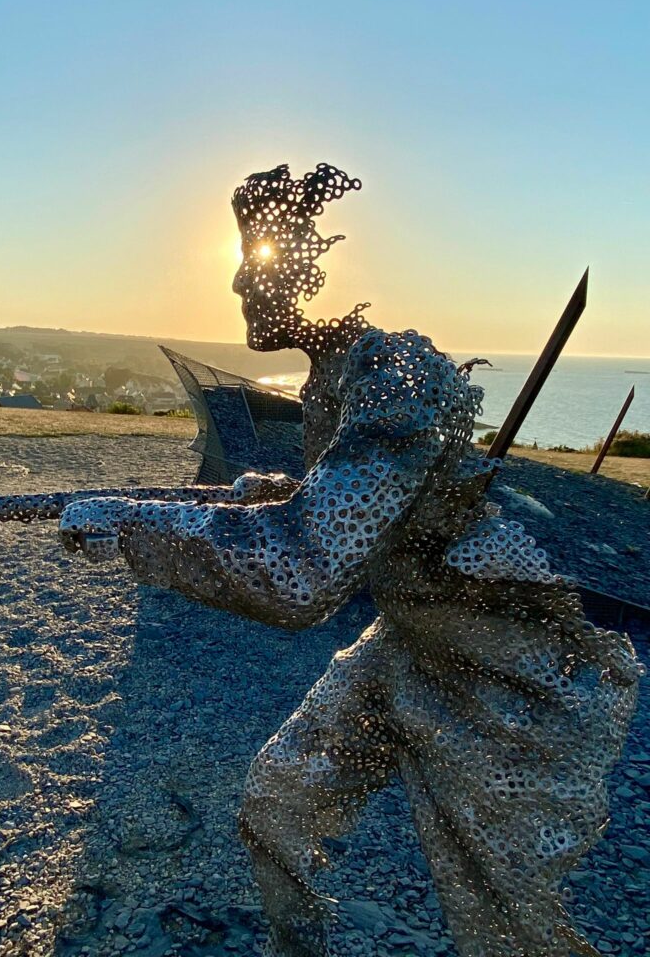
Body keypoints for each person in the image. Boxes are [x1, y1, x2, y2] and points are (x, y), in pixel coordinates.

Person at [58, 164, 642, 957]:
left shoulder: (395, 376)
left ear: (304, 270)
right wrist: (238, 496)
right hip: (407, 644)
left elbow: (305, 567)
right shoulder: (335, 378)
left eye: (258, 261)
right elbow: (332, 498)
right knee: (279, 802)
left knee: (503, 918)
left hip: (511, 673)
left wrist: (131, 526)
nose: (239, 281)